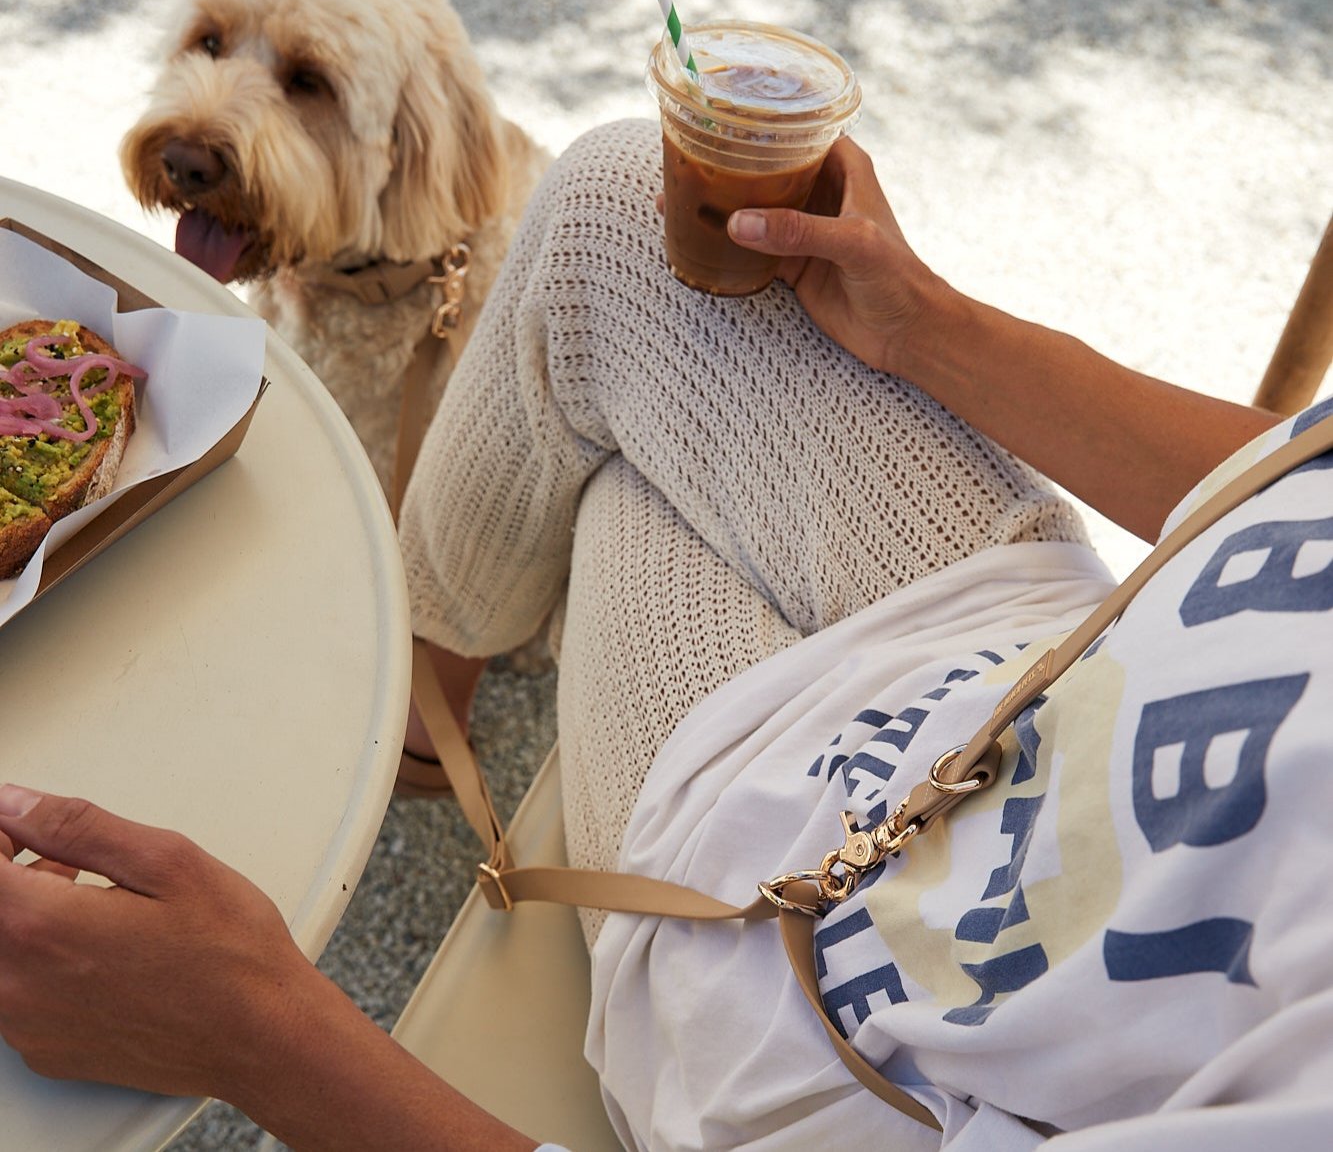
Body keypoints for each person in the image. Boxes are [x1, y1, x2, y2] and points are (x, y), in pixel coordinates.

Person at [1, 117, 1329, 1151]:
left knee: (607, 457)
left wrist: (256, 1035)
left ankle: (423, 699)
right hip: (1048, 662)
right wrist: (917, 318)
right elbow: (1292, 474)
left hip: (839, 1002)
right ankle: (424, 699)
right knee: (609, 214)